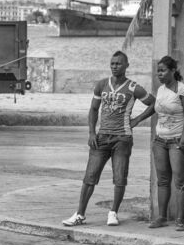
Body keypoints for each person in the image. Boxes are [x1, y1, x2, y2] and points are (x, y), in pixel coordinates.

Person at [62, 51, 156, 227]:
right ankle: (80, 214)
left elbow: (153, 103)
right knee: (89, 177)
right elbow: (93, 109)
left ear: (127, 65)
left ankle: (113, 212)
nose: (115, 66)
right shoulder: (102, 84)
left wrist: (137, 120)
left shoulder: (133, 87)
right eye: (112, 63)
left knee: (120, 178)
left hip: (122, 138)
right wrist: (91, 132)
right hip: (101, 137)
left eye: (119, 64)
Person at [148, 56, 184, 231]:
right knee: (163, 180)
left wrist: (183, 141)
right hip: (160, 141)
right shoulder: (160, 90)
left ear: (173, 70)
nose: (159, 74)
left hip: (178, 141)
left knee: (180, 181)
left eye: (162, 70)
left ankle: (181, 220)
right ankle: (162, 217)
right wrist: (136, 119)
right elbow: (155, 108)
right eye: (157, 71)